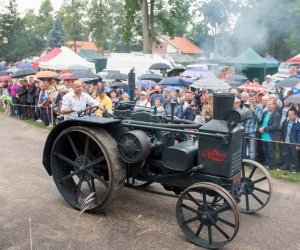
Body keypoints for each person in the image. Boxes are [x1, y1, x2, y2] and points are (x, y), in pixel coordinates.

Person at [258, 99, 281, 169]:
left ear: (274, 105)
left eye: (270, 104)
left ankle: (270, 165)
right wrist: (259, 128)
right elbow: (260, 122)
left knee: (270, 152)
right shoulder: (265, 113)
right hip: (263, 135)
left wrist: (264, 129)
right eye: (268, 104)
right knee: (265, 151)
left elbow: (275, 127)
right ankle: (266, 164)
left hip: (271, 136)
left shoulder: (277, 115)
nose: (268, 105)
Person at [278, 107, 300, 174]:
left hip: (294, 143)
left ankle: (293, 168)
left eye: (291, 115)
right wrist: (281, 139)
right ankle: (285, 166)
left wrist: (298, 144)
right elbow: (282, 130)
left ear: (296, 115)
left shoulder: (298, 122)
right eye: (289, 114)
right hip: (286, 141)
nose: (289, 116)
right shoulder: (286, 120)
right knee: (285, 154)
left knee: (294, 156)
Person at [243, 93, 263, 161]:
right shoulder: (246, 106)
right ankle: (243, 162)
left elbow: (259, 119)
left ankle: (252, 164)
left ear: (256, 99)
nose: (251, 100)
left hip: (253, 130)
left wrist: (253, 110)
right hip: (245, 129)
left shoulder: (259, 107)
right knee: (243, 147)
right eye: (250, 99)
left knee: (252, 149)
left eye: (253, 99)